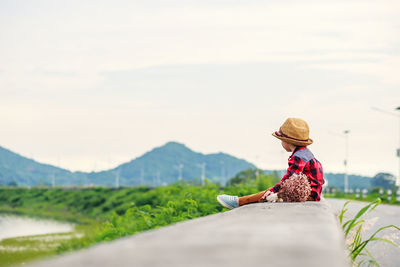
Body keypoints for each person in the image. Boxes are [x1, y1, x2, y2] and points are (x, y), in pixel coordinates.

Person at [216, 118, 324, 210]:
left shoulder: (299, 157)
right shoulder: (306, 154)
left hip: (307, 196)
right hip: (314, 195)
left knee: (270, 193)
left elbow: (285, 182)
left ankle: (240, 201)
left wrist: (271, 191)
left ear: (287, 141)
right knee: (273, 194)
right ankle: (240, 200)